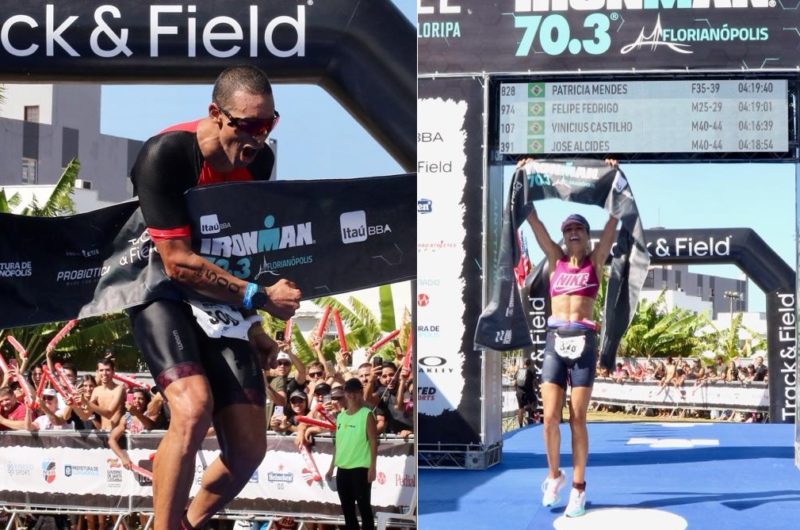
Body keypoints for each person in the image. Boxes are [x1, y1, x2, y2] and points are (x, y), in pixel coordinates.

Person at [126, 65, 302, 530]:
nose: (258, 137)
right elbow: (178, 263)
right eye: (248, 124)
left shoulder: (259, 160)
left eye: (268, 124)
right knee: (192, 408)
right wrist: (259, 298)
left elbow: (241, 249)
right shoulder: (167, 153)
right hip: (159, 287)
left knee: (248, 450)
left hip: (219, 297)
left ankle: (186, 523)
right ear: (216, 114)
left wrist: (255, 325)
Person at [525, 163, 619, 518]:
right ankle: (554, 476)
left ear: (587, 235)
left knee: (577, 418)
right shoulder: (555, 259)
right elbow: (534, 221)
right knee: (549, 417)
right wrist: (523, 178)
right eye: (568, 229)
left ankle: (578, 488)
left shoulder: (596, 261)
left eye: (579, 228)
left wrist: (614, 178)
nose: (573, 232)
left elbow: (614, 219)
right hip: (555, 340)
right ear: (563, 237)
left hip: (583, 341)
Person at [326, 378, 377, 530]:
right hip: (342, 469)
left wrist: (372, 467)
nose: (352, 395)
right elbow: (338, 444)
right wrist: (331, 467)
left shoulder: (367, 414)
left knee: (364, 508)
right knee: (347, 511)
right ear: (345, 393)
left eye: (355, 392)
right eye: (349, 392)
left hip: (361, 469)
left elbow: (373, 442)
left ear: (361, 393)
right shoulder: (341, 416)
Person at [515, 358, 536, 427]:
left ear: (523, 363)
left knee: (520, 409)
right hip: (528, 392)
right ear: (530, 364)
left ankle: (521, 426)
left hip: (519, 392)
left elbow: (515, 382)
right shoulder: (531, 371)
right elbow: (534, 382)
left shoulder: (519, 370)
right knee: (533, 404)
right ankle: (530, 421)